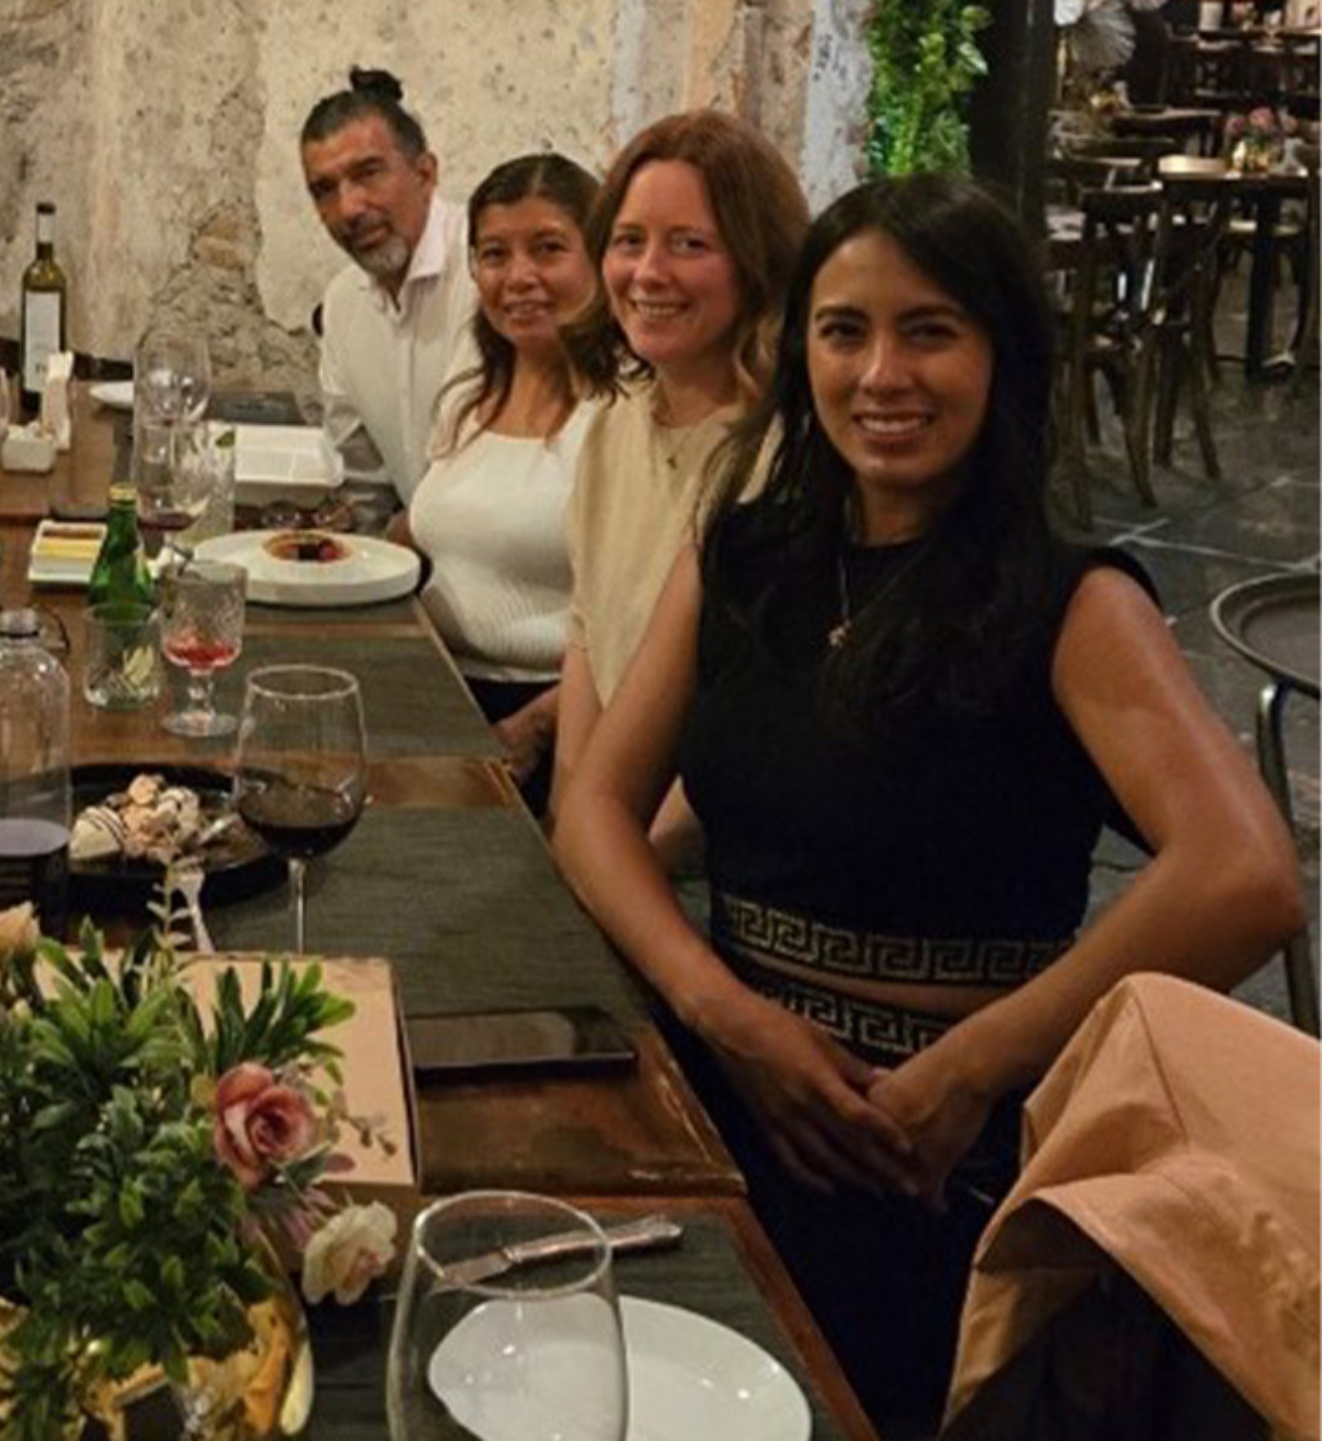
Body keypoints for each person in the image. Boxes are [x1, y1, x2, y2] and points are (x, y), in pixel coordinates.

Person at [553, 174, 1306, 1433]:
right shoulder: (742, 556)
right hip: (726, 1093)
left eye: (930, 330)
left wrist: (968, 1069)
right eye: (844, 331)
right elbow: (592, 812)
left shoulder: (1065, 601)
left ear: (1003, 358)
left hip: (934, 1154)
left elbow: (1246, 873)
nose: (881, 373)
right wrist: (722, 1011)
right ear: (801, 352)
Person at [551, 110, 808, 848]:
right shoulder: (615, 420)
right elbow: (589, 639)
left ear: (758, 261)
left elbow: (759, 717)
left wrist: (622, 863)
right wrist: (569, 828)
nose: (648, 273)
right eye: (629, 241)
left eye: (689, 245)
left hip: (723, 856)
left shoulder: (788, 452)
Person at [399, 153, 607, 814]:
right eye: (494, 254)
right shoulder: (472, 388)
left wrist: (538, 726)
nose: (519, 277)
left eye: (548, 249)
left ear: (600, 260)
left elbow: (642, 627)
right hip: (435, 690)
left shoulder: (625, 412)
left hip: (552, 726)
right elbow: (435, 524)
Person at [299, 67, 480, 505]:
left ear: (425, 174)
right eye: (324, 189)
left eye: (368, 174)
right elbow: (363, 485)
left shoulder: (486, 271)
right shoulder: (343, 304)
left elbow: (494, 475)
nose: (348, 208)